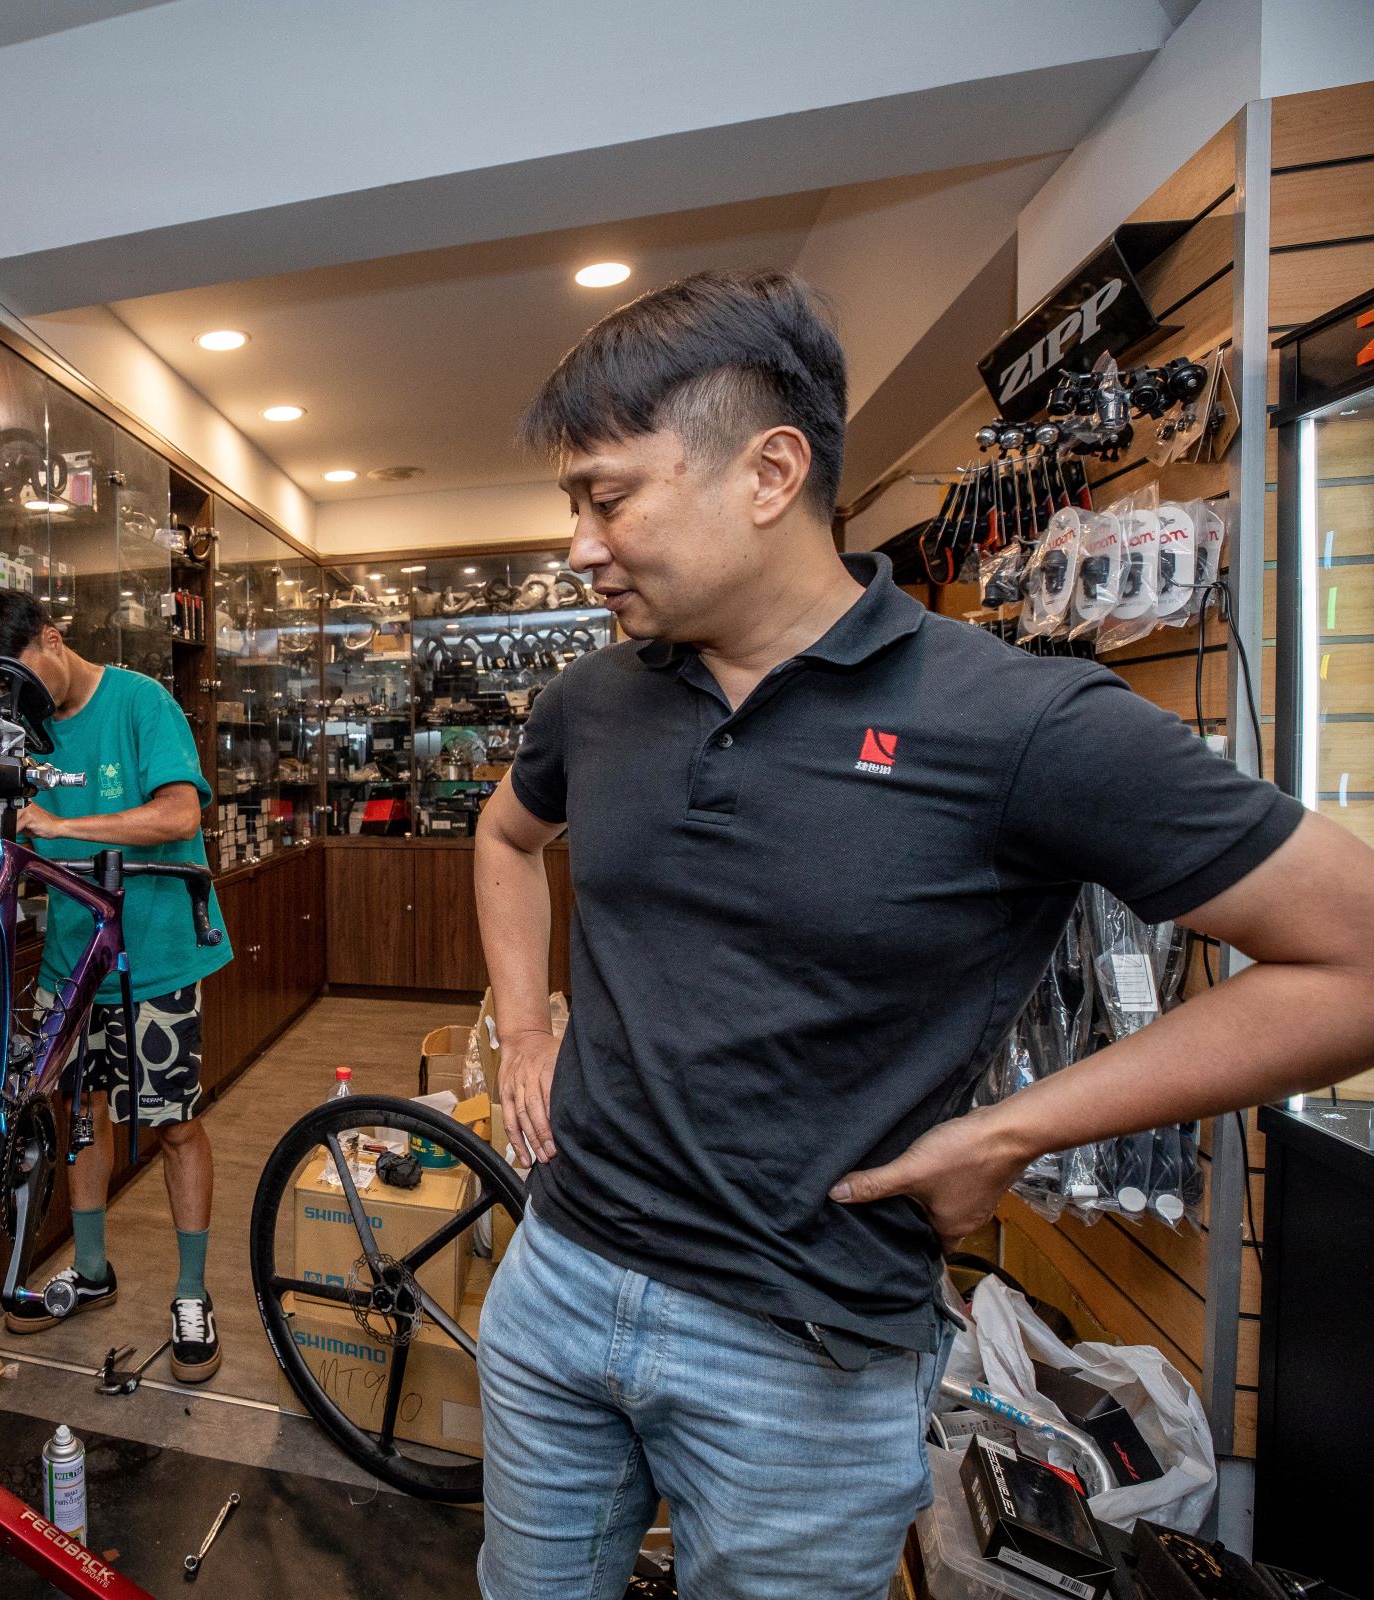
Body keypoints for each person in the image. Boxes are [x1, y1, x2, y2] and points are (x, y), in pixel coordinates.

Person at [471, 268, 1374, 1600]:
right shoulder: (596, 702)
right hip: (556, 1281)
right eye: (573, 507)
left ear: (770, 471)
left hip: (806, 1353)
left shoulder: (1018, 723)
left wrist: (1013, 1131)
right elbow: (503, 837)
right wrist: (529, 1026)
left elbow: (1351, 957)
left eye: (608, 499)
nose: (581, 546)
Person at [0, 590, 234, 1381]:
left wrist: (61, 824)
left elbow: (179, 815)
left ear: (52, 638)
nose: (17, 699)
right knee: (78, 1110)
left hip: (157, 952)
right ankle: (91, 1269)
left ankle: (190, 1292)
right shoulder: (27, 728)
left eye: (20, 675)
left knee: (174, 1122)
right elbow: (13, 822)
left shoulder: (142, 702)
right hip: (71, 959)